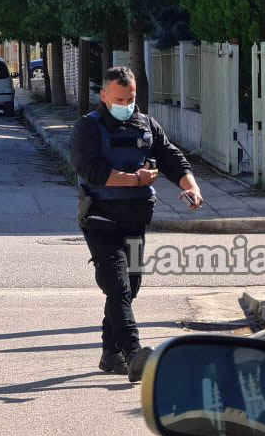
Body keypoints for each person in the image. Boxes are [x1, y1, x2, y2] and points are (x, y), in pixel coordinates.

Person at [71, 66, 204, 382]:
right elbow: (89, 169)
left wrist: (191, 186)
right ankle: (134, 354)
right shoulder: (87, 127)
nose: (126, 105)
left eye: (130, 99)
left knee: (130, 288)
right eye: (119, 99)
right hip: (100, 219)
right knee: (117, 286)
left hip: (135, 221)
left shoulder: (145, 125)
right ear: (104, 96)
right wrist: (135, 180)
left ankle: (110, 353)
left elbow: (171, 157)